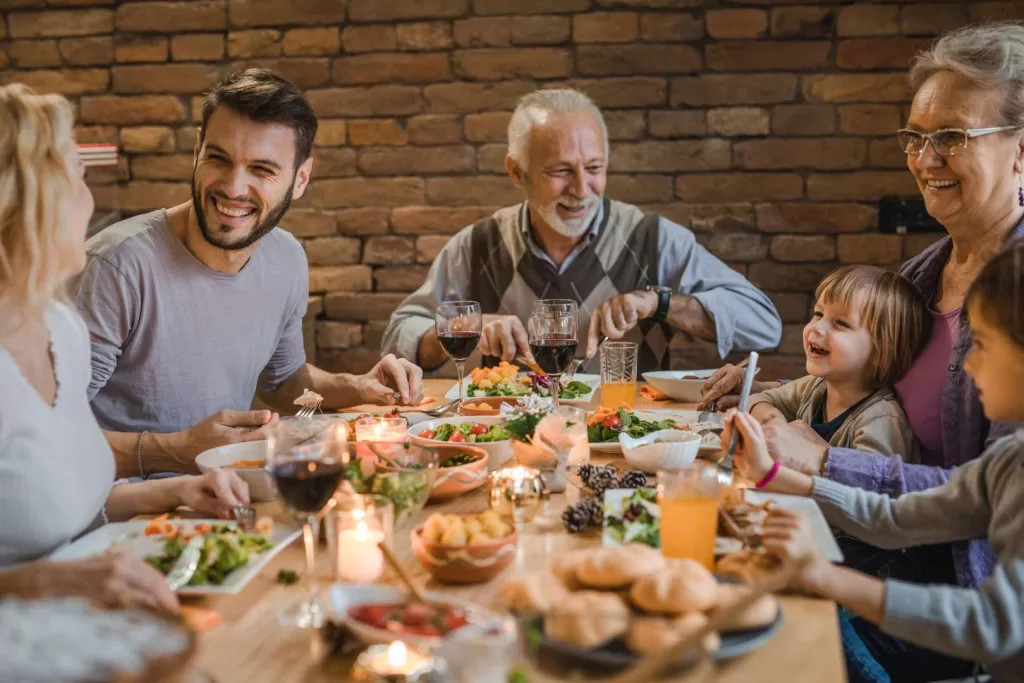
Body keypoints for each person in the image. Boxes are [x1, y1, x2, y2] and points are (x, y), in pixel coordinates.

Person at [700, 23, 1024, 681]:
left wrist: (823, 458)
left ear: (1021, 150)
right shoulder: (922, 275)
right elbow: (873, 387)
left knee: (773, 622)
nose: (925, 159)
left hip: (959, 595)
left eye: (952, 137)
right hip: (880, 543)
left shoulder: (1016, 299)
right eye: (915, 136)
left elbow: (992, 495)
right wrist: (769, 385)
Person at [72, 69, 424, 479]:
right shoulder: (117, 266)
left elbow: (286, 387)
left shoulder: (287, 259)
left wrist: (357, 387)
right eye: (219, 159)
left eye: (262, 170)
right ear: (197, 151)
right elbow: (42, 435)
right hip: (120, 517)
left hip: (230, 499)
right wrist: (174, 450)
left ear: (300, 179)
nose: (234, 188)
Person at [0, 83, 249, 614]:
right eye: (80, 179)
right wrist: (45, 585)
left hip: (91, 625)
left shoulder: (59, 330)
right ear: (32, 202)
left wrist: (178, 491)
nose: (92, 203)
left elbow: (59, 507)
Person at [725, 243, 1024, 683]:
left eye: (982, 344)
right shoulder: (1006, 460)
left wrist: (823, 578)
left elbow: (995, 625)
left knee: (809, 626)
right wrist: (778, 475)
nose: (967, 366)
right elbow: (894, 516)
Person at [383, 88, 781, 375]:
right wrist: (464, 327)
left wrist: (658, 305)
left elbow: (764, 324)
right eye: (560, 171)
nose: (580, 189)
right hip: (509, 447)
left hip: (626, 442)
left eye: (594, 168)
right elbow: (399, 336)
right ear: (516, 172)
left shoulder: (652, 238)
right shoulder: (477, 245)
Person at [748, 265, 928, 458]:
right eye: (818, 314)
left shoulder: (881, 419)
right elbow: (758, 399)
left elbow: (874, 481)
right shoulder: (816, 386)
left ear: (880, 352)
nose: (817, 327)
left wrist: (814, 451)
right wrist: (775, 423)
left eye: (841, 323)